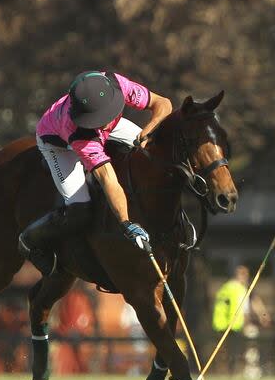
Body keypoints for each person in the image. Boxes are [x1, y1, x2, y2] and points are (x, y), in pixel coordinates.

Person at [18, 71, 173, 277]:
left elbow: (164, 104)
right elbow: (108, 178)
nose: (104, 124)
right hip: (57, 144)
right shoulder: (79, 134)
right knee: (79, 207)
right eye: (99, 119)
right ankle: (30, 240)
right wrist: (126, 223)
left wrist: (148, 131)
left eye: (106, 116)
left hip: (92, 126)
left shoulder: (115, 83)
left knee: (151, 153)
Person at [212, 264, 270, 373]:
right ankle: (249, 370)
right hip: (233, 325)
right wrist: (247, 322)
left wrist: (263, 315)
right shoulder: (237, 289)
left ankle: (233, 371)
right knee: (246, 341)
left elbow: (254, 300)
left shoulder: (227, 287)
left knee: (227, 352)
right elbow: (240, 310)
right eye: (243, 275)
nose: (245, 277)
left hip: (220, 324)